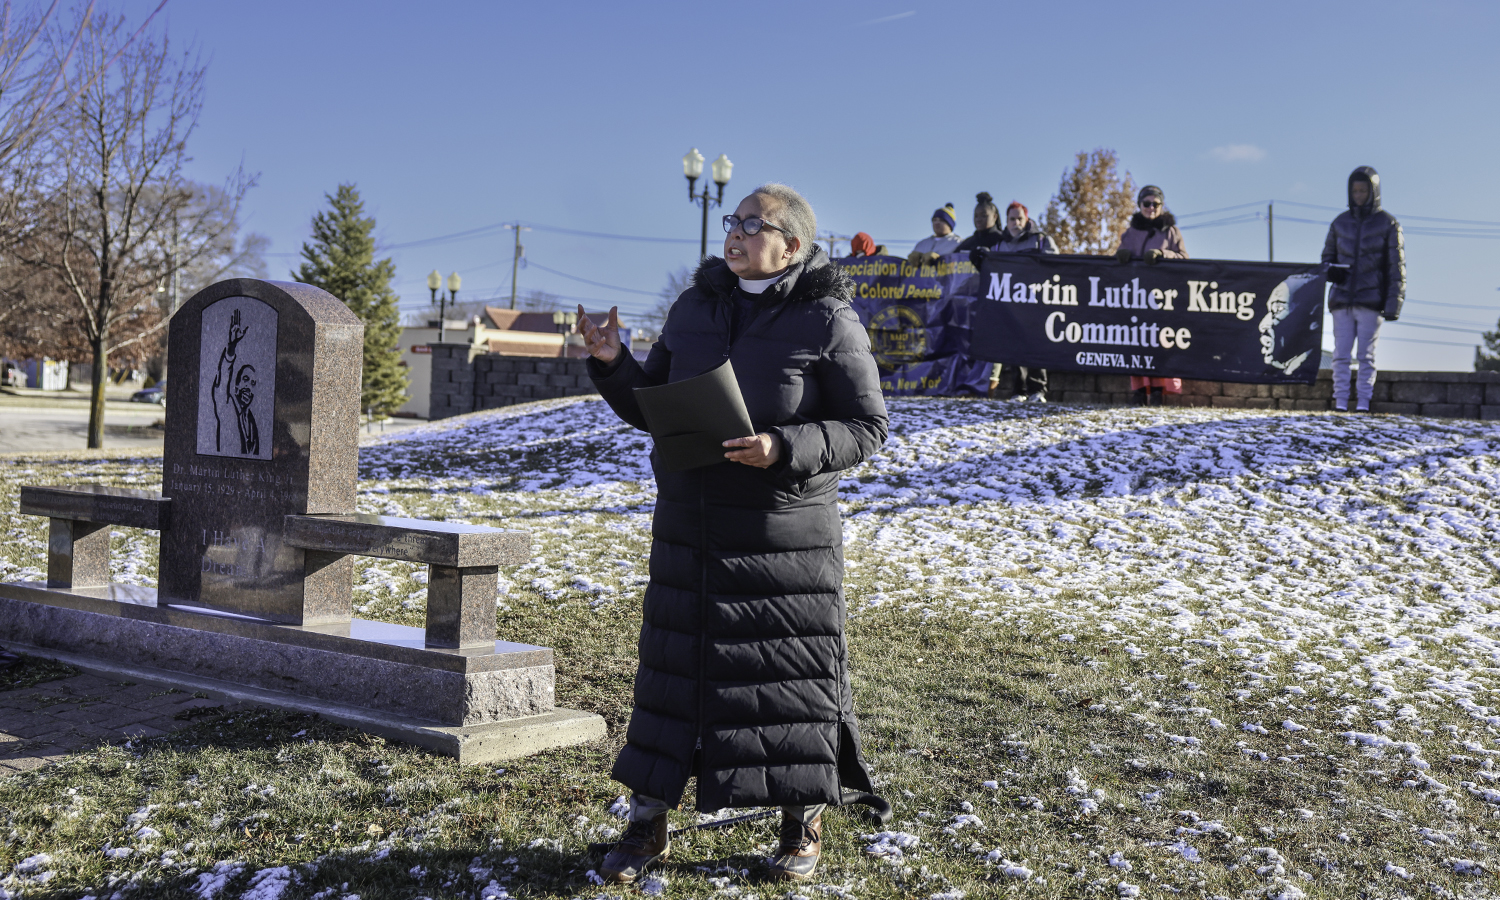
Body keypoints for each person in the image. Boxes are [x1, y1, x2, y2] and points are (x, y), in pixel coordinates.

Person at [578, 182, 888, 885]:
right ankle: (647, 821)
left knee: (787, 683)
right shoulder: (694, 308)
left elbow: (867, 427)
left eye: (757, 224)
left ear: (794, 246)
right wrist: (611, 363)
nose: (738, 232)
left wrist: (783, 446)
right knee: (671, 679)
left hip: (784, 536)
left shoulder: (827, 318)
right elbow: (653, 404)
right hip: (691, 527)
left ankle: (801, 822)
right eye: (735, 221)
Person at [1321, 166, 1405, 412]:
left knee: (1366, 355)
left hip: (1372, 301)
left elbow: (1396, 267)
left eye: (1363, 190)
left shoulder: (1388, 223)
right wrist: (1330, 271)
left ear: (1373, 191)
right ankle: (1340, 402)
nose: (1358, 195)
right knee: (1341, 354)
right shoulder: (1339, 223)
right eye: (1354, 190)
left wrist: (1393, 304)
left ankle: (1364, 403)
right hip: (1342, 300)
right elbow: (1326, 258)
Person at [1114, 185, 1187, 405]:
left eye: (1156, 204)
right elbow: (1120, 258)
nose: (1151, 208)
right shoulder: (1130, 232)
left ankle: (1158, 390)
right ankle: (1139, 390)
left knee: (1160, 342)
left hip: (1163, 297)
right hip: (1137, 296)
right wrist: (1121, 255)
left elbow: (1184, 257)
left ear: (1162, 207)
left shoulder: (1171, 231)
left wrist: (1162, 255)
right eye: (1147, 203)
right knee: (1136, 342)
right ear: (1140, 205)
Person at [980, 201, 1060, 402]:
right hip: (1011, 306)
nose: (1016, 223)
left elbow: (1057, 265)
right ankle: (1019, 390)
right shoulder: (999, 246)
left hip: (1037, 302)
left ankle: (1038, 389)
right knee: (1015, 346)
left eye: (1019, 219)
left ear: (1027, 219)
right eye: (1012, 219)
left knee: (1036, 345)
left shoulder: (1041, 241)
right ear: (1006, 222)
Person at [955, 192, 1004, 256]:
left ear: (995, 217)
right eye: (976, 216)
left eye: (983, 216)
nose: (978, 220)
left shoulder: (1002, 240)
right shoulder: (967, 243)